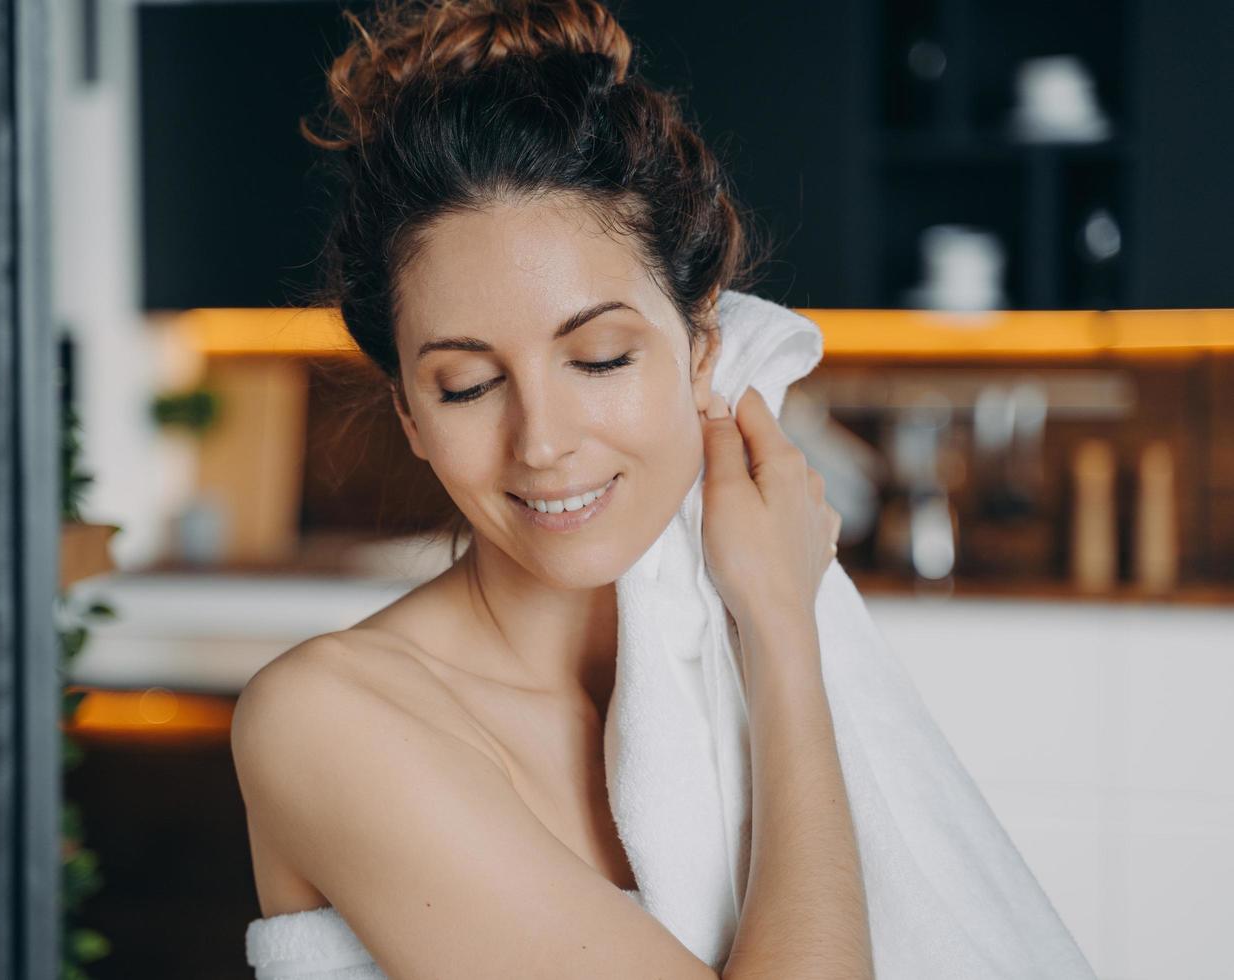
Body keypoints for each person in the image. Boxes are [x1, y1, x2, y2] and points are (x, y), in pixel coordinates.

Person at [231, 1, 872, 976]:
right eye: (469, 383)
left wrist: (774, 619)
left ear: (700, 353)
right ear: (409, 411)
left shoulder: (714, 672)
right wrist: (784, 626)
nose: (544, 442)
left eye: (602, 357)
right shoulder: (327, 718)